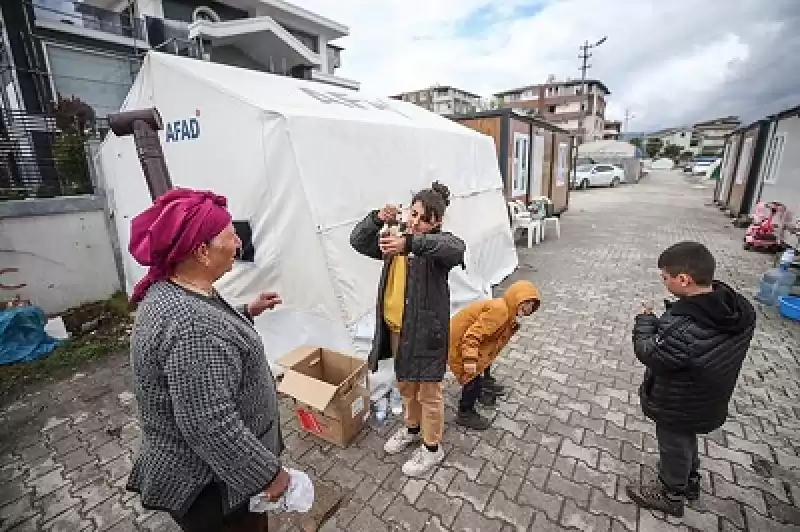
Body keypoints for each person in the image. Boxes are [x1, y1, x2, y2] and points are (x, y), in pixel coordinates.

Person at [126, 188, 290, 532]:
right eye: (232, 237)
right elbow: (210, 424)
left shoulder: (178, 290)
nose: (238, 244)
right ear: (201, 251)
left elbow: (214, 338)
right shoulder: (191, 325)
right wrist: (268, 473)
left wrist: (247, 311)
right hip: (215, 488)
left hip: (216, 477)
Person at [626, 241, 756, 517]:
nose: (664, 282)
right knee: (685, 439)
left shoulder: (683, 329)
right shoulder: (739, 309)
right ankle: (690, 482)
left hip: (678, 401)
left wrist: (645, 321)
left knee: (673, 443)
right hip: (707, 397)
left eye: (666, 277)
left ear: (684, 279)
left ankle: (671, 494)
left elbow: (650, 352)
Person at [350, 181, 465, 476]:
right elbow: (358, 241)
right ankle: (412, 429)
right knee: (406, 386)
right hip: (397, 329)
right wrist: (377, 218)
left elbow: (456, 247)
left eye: (422, 217)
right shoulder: (396, 240)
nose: (413, 222)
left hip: (426, 335)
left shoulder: (436, 248)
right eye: (411, 213)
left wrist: (410, 244)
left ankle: (432, 448)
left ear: (436, 221)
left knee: (429, 392)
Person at [448, 280, 540, 430]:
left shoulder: (508, 313)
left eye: (532, 305)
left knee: (479, 367)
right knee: (471, 377)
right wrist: (470, 359)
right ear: (515, 297)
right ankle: (465, 413)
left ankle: (482, 387)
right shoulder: (500, 311)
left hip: (464, 341)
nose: (529, 308)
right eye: (526, 302)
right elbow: (472, 335)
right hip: (458, 343)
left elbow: (490, 344)